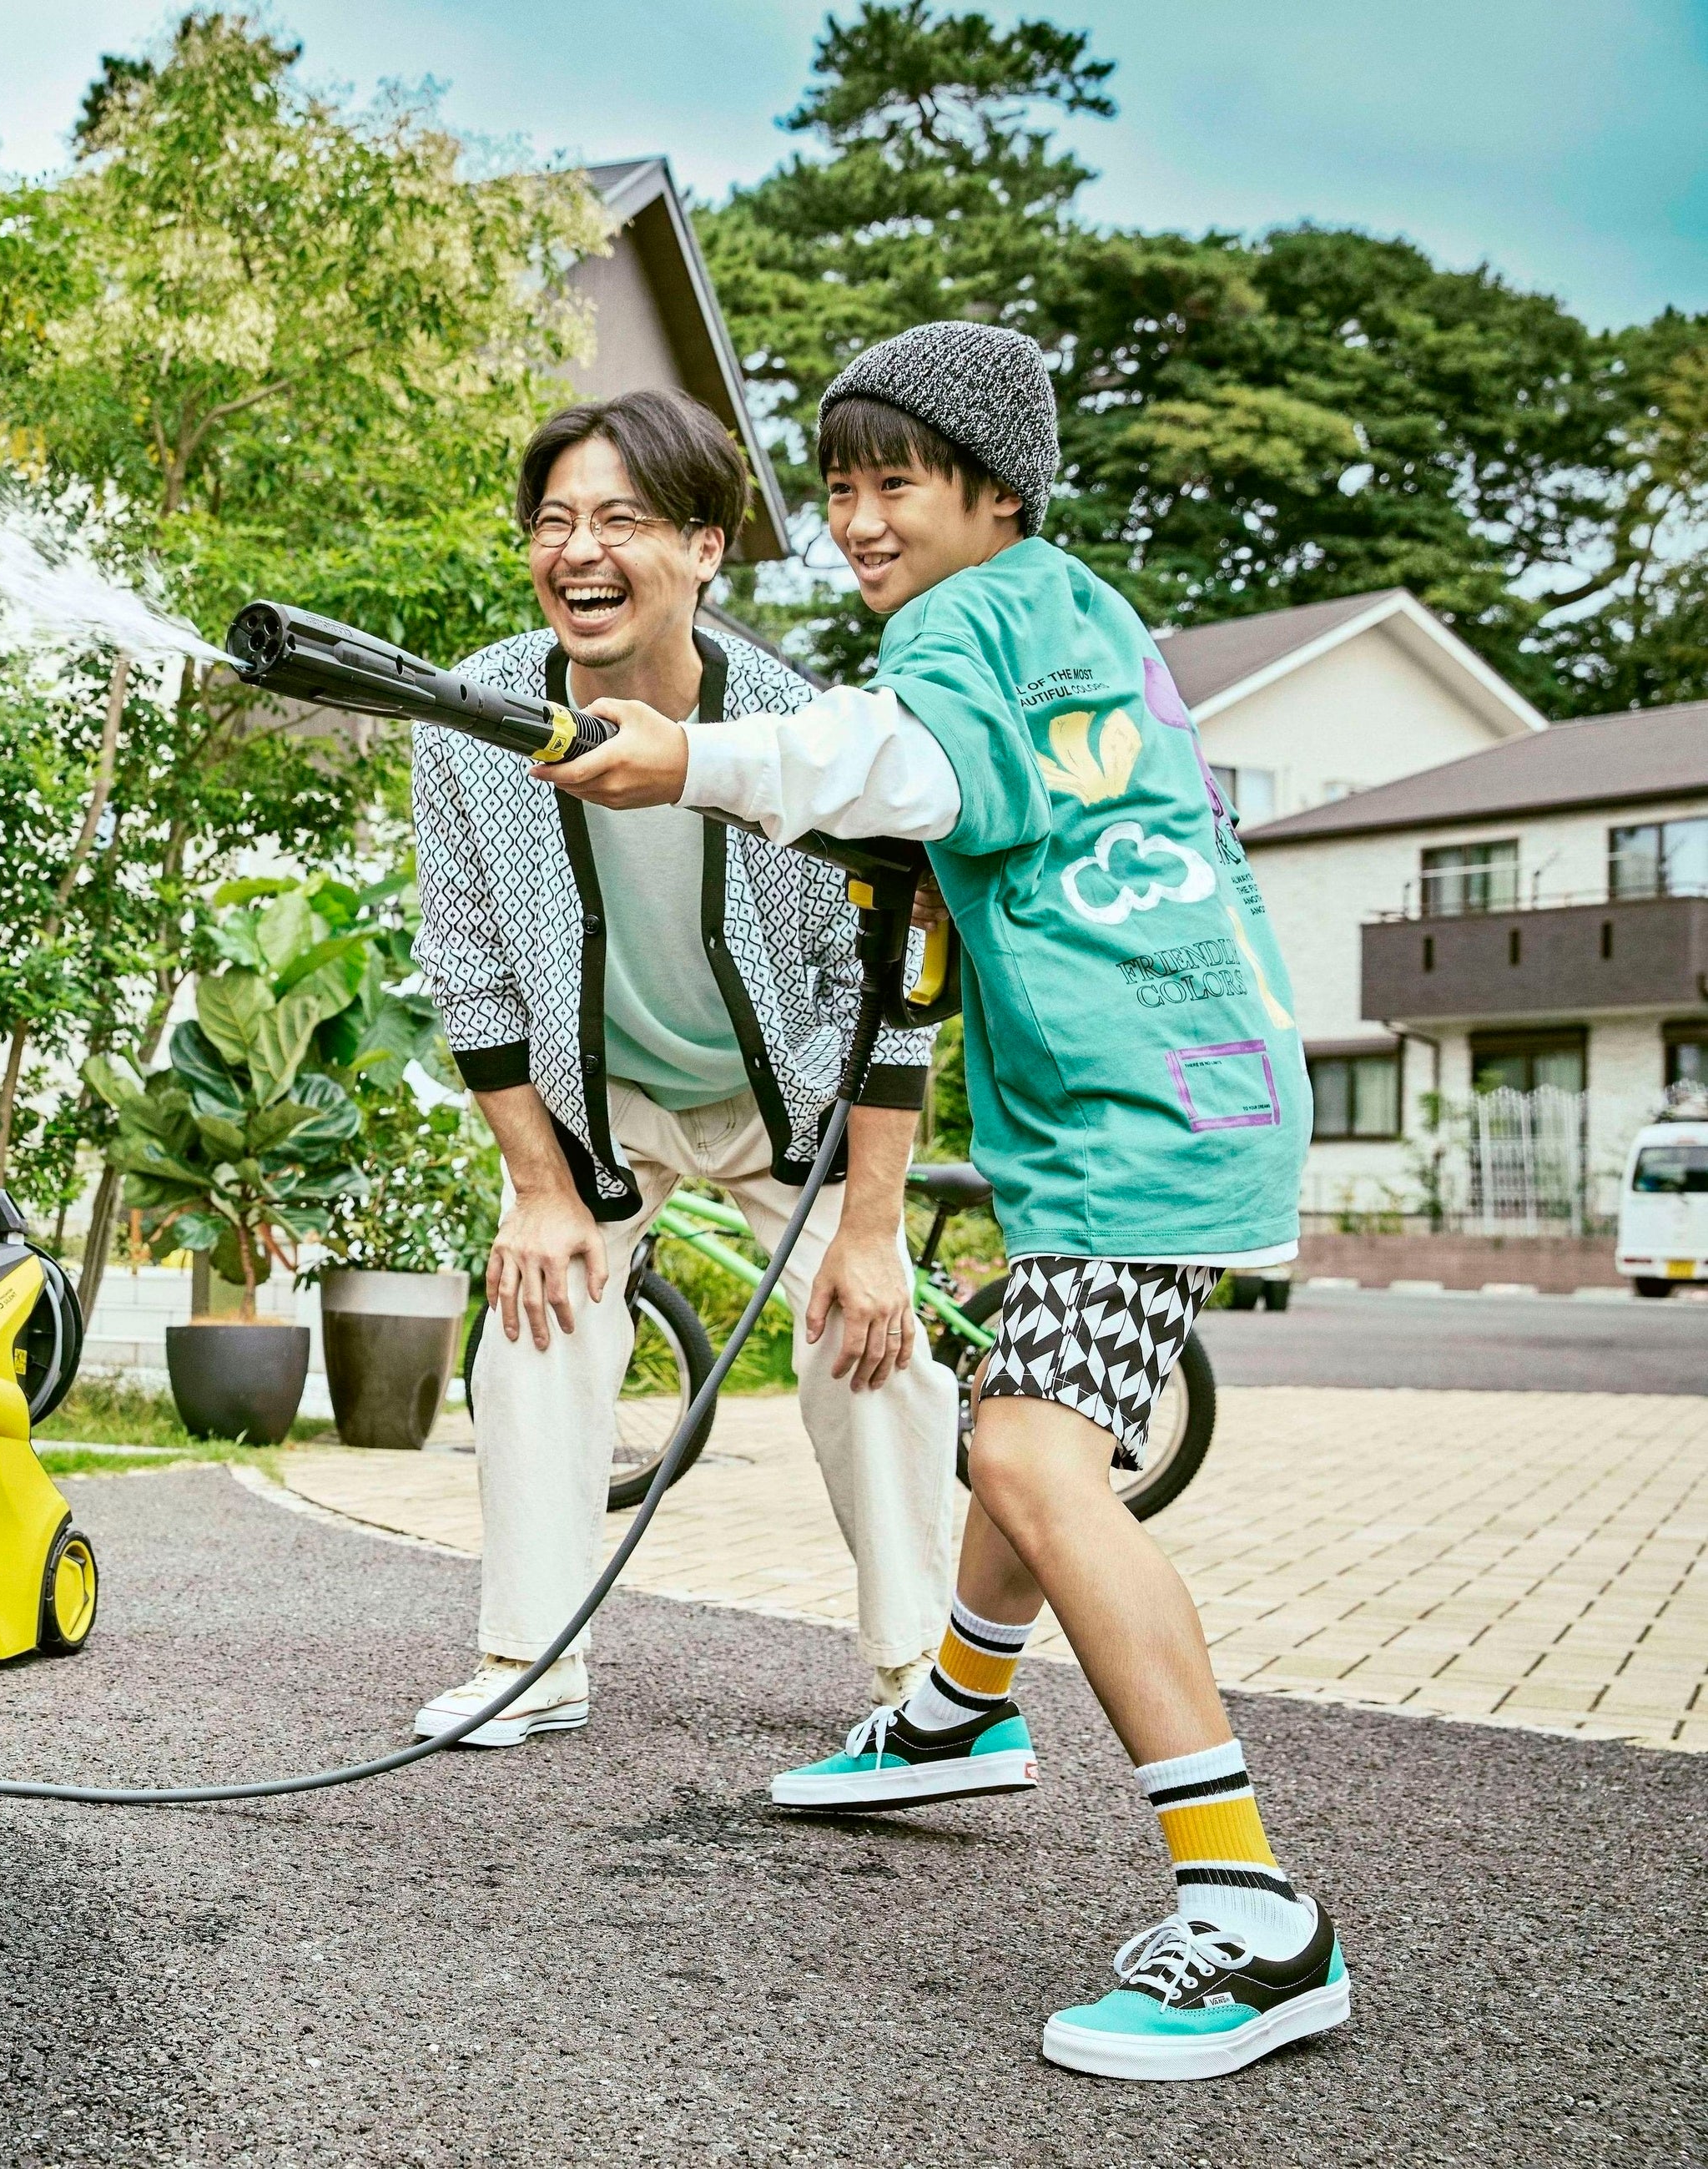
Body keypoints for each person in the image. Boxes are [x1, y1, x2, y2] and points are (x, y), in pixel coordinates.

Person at [537, 321, 1340, 2081]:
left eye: (897, 481)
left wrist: (691, 758)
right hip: (1189, 1093)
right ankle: (958, 1713)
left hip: (1140, 1123)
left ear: (999, 490)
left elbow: (912, 768)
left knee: (1036, 1462)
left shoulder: (966, 625)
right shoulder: (1075, 614)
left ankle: (1255, 1910)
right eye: (839, 485)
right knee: (1014, 1428)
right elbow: (963, 803)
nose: (859, 519)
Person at [406, 388, 967, 1773]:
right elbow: (468, 966)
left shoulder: (801, 730)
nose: (579, 551)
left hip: (789, 1095)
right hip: (603, 1102)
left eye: (621, 520)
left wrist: (876, 1232)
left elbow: (892, 986)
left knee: (876, 1343)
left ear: (706, 549)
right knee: (535, 1318)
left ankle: (923, 1675)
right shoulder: (471, 719)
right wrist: (538, 1189)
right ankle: (527, 1660)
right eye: (553, 523)